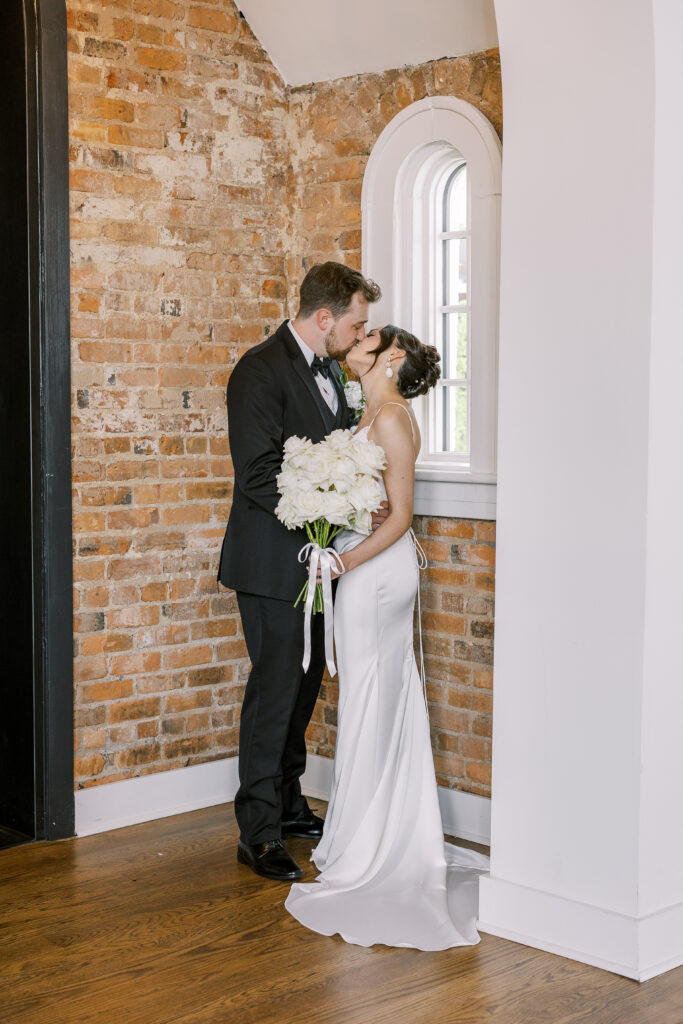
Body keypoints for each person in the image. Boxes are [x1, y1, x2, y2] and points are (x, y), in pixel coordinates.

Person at [284, 325, 491, 950]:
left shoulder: (393, 418)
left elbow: (400, 517)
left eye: (370, 335)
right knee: (370, 698)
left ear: (392, 357)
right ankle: (361, 833)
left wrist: (342, 563)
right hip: (362, 563)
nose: (357, 338)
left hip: (375, 574)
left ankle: (376, 845)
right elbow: (369, 500)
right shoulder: (368, 410)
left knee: (375, 696)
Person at [217, 261, 386, 882]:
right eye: (356, 323)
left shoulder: (334, 375)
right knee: (275, 690)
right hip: (271, 566)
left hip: (321, 566)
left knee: (307, 682)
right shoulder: (258, 371)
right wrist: (335, 506)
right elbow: (258, 475)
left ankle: (287, 803)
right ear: (325, 318)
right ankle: (257, 831)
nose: (359, 335)